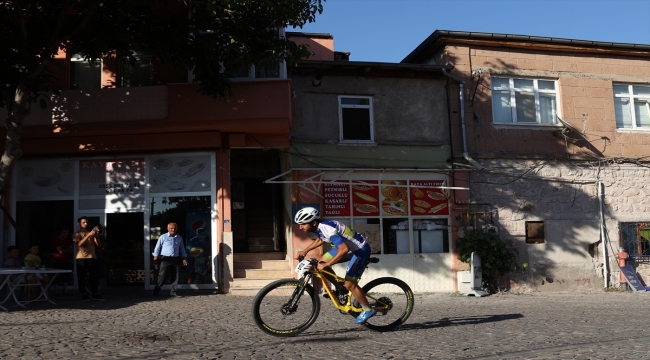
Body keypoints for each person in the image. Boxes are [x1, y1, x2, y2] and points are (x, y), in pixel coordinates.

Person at [294, 207, 377, 324]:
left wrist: (328, 264)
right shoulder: (320, 227)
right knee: (319, 264)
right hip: (345, 248)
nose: (300, 227)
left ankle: (368, 309)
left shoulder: (326, 228)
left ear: (313, 222)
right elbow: (321, 239)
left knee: (350, 284)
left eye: (302, 224)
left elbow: (343, 249)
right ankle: (340, 288)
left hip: (360, 250)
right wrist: (305, 251)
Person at [73, 217, 107, 302]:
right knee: (82, 276)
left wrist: (96, 236)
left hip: (92, 256)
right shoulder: (76, 234)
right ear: (79, 224)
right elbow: (79, 244)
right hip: (82, 257)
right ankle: (83, 293)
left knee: (94, 276)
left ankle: (95, 293)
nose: (86, 224)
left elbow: (98, 245)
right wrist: (88, 235)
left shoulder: (91, 233)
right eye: (83, 222)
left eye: (87, 222)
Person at [152, 223, 187, 298]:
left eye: (174, 228)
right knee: (162, 275)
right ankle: (157, 290)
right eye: (171, 228)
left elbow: (182, 248)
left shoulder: (179, 238)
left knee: (175, 276)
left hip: (176, 259)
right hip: (165, 259)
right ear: (167, 229)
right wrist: (155, 257)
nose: (173, 229)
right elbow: (157, 247)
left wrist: (184, 258)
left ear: (176, 229)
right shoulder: (163, 237)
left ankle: (173, 292)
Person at [51, 229, 73, 296]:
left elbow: (71, 251)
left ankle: (65, 291)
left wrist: (65, 250)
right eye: (65, 232)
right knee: (56, 276)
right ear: (60, 233)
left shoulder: (67, 241)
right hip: (57, 260)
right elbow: (61, 251)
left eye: (67, 232)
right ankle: (56, 291)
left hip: (66, 260)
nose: (66, 234)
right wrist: (67, 250)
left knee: (66, 276)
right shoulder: (56, 240)